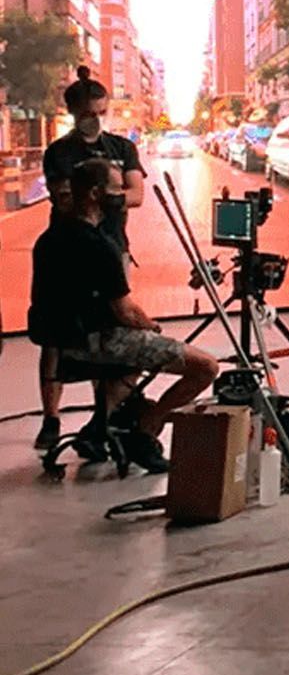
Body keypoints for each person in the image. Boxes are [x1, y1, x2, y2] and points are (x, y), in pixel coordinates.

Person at [30, 159, 218, 473]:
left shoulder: (48, 239)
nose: (122, 196)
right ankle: (147, 429)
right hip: (100, 340)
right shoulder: (100, 246)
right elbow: (125, 311)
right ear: (94, 193)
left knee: (130, 361)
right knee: (206, 368)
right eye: (116, 189)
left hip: (63, 341)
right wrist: (152, 327)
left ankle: (99, 428)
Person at [32, 67, 146, 452]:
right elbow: (65, 198)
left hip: (113, 246)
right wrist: (111, 192)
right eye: (87, 113)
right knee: (55, 336)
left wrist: (100, 194)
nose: (94, 120)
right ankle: (51, 418)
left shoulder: (122, 148)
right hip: (66, 250)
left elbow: (137, 194)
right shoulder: (59, 151)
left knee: (111, 332)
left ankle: (105, 417)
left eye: (100, 112)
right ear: (73, 113)